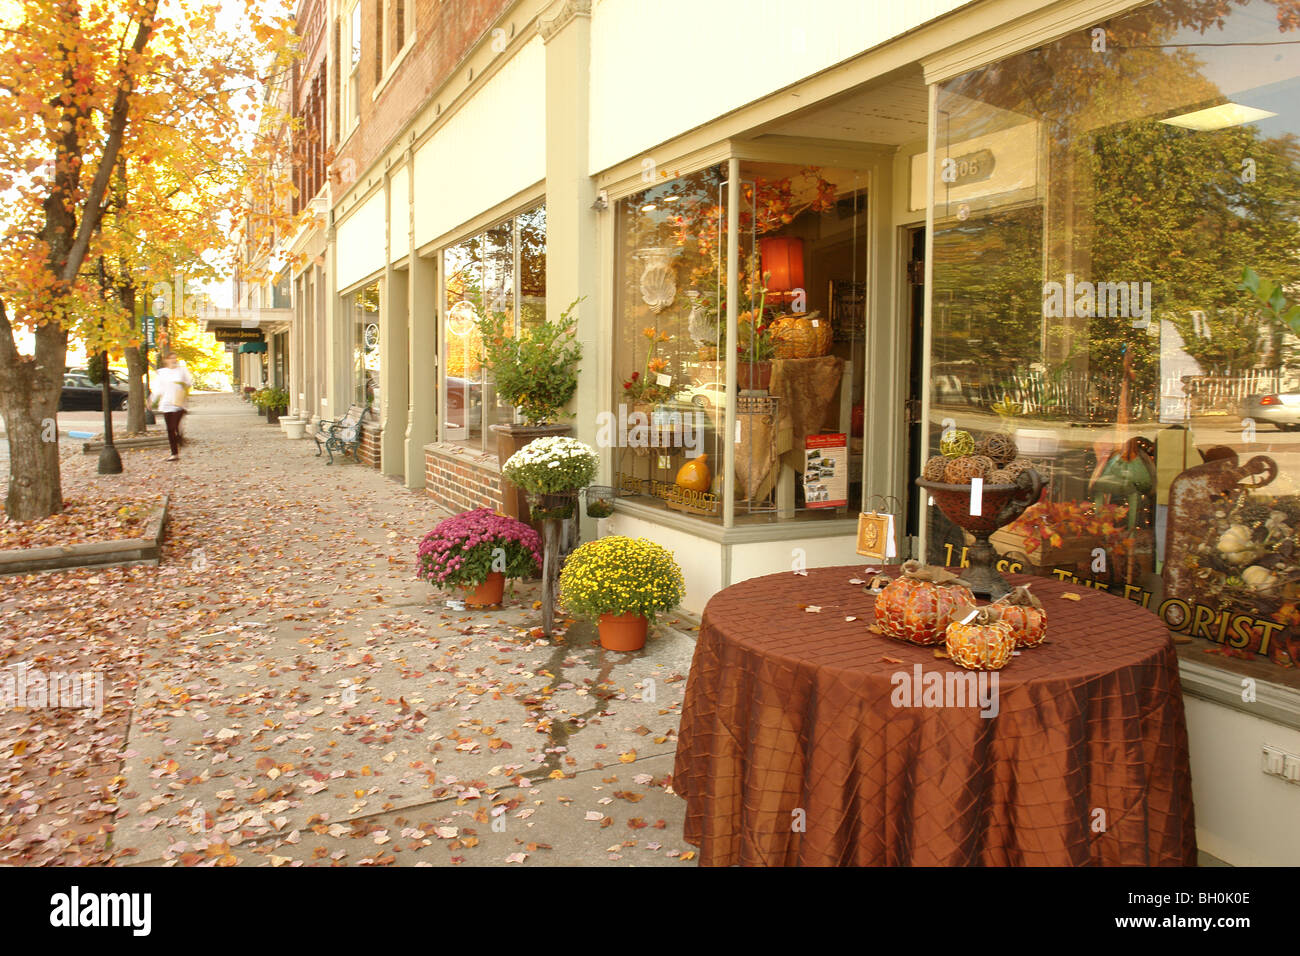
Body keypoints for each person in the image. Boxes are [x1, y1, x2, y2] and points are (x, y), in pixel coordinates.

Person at [150, 353, 194, 462]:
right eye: (171, 358)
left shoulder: (182, 370)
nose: (174, 360)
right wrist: (151, 400)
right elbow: (158, 388)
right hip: (166, 402)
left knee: (173, 426)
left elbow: (189, 382)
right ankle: (174, 453)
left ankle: (179, 436)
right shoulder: (162, 373)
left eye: (175, 358)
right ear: (166, 360)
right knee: (169, 429)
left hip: (179, 403)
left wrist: (184, 385)